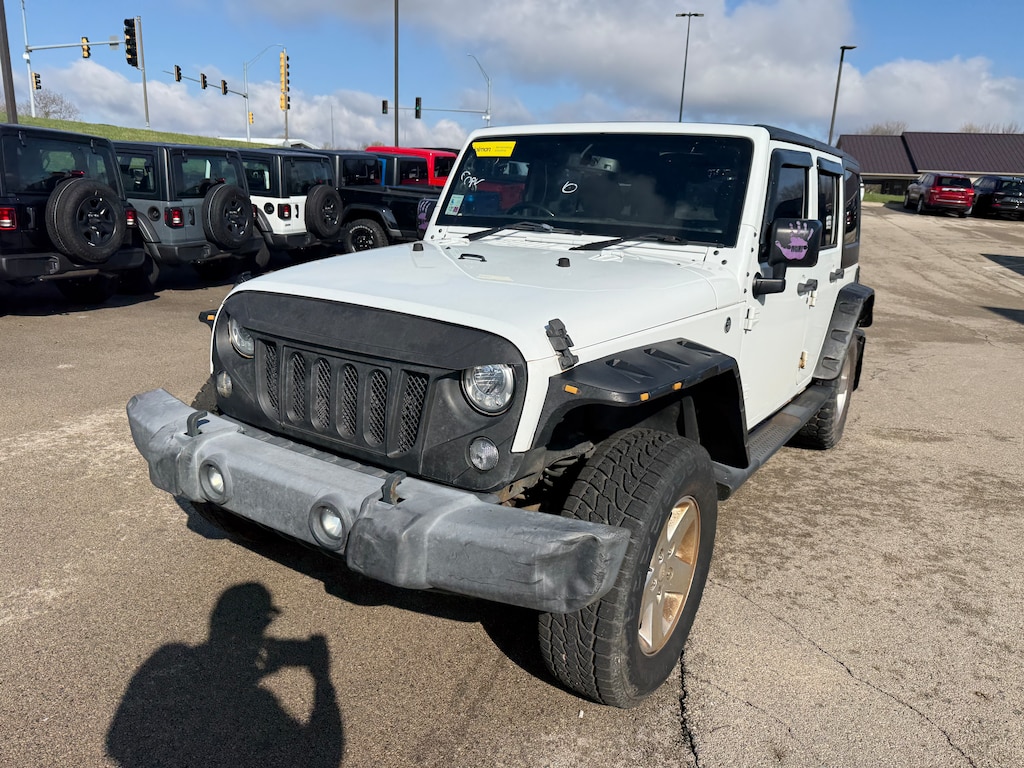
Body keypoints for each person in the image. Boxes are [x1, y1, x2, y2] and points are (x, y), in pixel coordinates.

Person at [106, 583, 344, 768]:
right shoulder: (260, 706)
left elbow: (119, 743)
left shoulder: (171, 658)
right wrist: (322, 679)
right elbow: (325, 757)